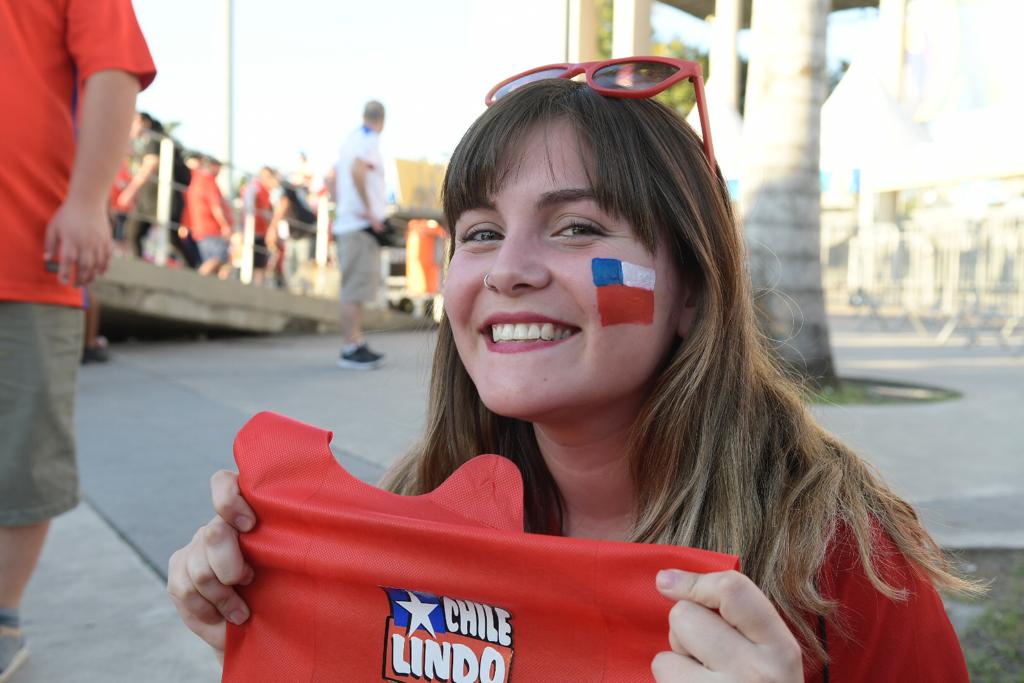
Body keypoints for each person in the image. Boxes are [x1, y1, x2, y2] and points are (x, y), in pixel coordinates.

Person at [167, 59, 974, 681]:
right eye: (479, 233)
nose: (507, 270)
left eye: (578, 226)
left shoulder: (842, 556)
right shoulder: (411, 511)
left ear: (689, 290)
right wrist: (269, 623)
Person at [0, 1, 154, 678]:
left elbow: (114, 68)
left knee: (25, 456)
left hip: (25, 253)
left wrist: (89, 199)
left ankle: (1, 611)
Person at [331, 100, 389, 369]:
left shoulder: (350, 138)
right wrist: (369, 211)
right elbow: (357, 170)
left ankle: (355, 342)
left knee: (353, 287)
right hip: (358, 225)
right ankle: (350, 347)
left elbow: (331, 178)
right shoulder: (368, 139)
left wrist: (342, 206)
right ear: (382, 120)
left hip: (349, 222)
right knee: (354, 289)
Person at [120, 112, 197, 267]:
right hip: (151, 198)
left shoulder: (155, 137)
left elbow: (151, 164)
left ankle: (194, 269)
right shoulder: (151, 139)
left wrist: (130, 191)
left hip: (163, 197)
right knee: (133, 232)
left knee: (170, 237)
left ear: (144, 122)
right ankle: (139, 268)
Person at [185, 156, 234, 279]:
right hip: (212, 229)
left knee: (216, 262)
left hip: (200, 229)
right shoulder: (208, 181)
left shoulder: (196, 180)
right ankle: (196, 283)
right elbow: (216, 206)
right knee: (218, 259)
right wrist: (225, 225)